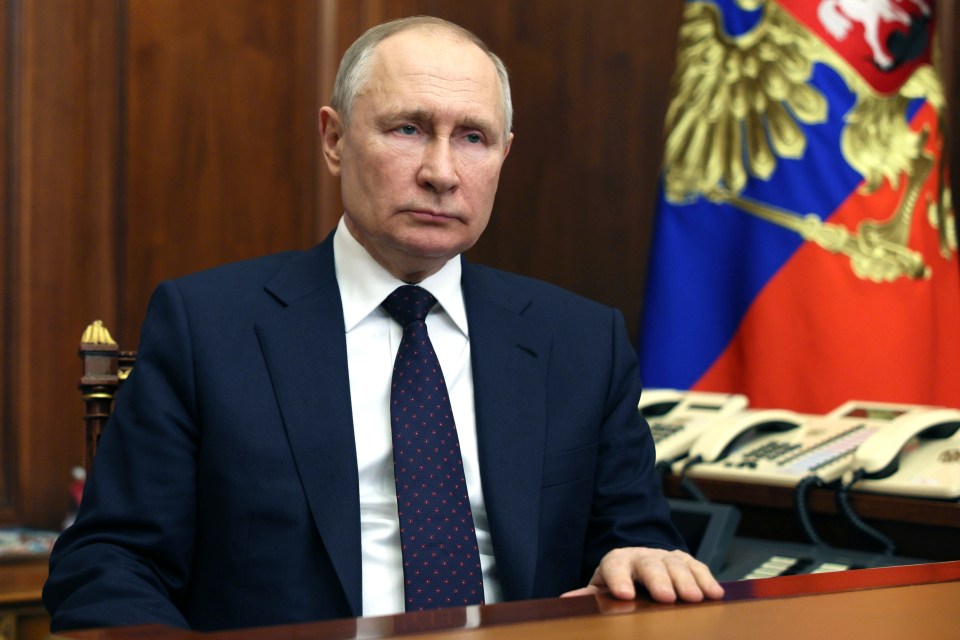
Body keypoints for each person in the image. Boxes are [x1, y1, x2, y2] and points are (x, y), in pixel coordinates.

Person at [43, 15, 723, 632]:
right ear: (334, 139)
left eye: (474, 138)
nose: (442, 172)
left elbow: (635, 543)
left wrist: (638, 565)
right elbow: (109, 563)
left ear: (504, 157)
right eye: (408, 129)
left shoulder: (580, 343)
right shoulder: (209, 327)